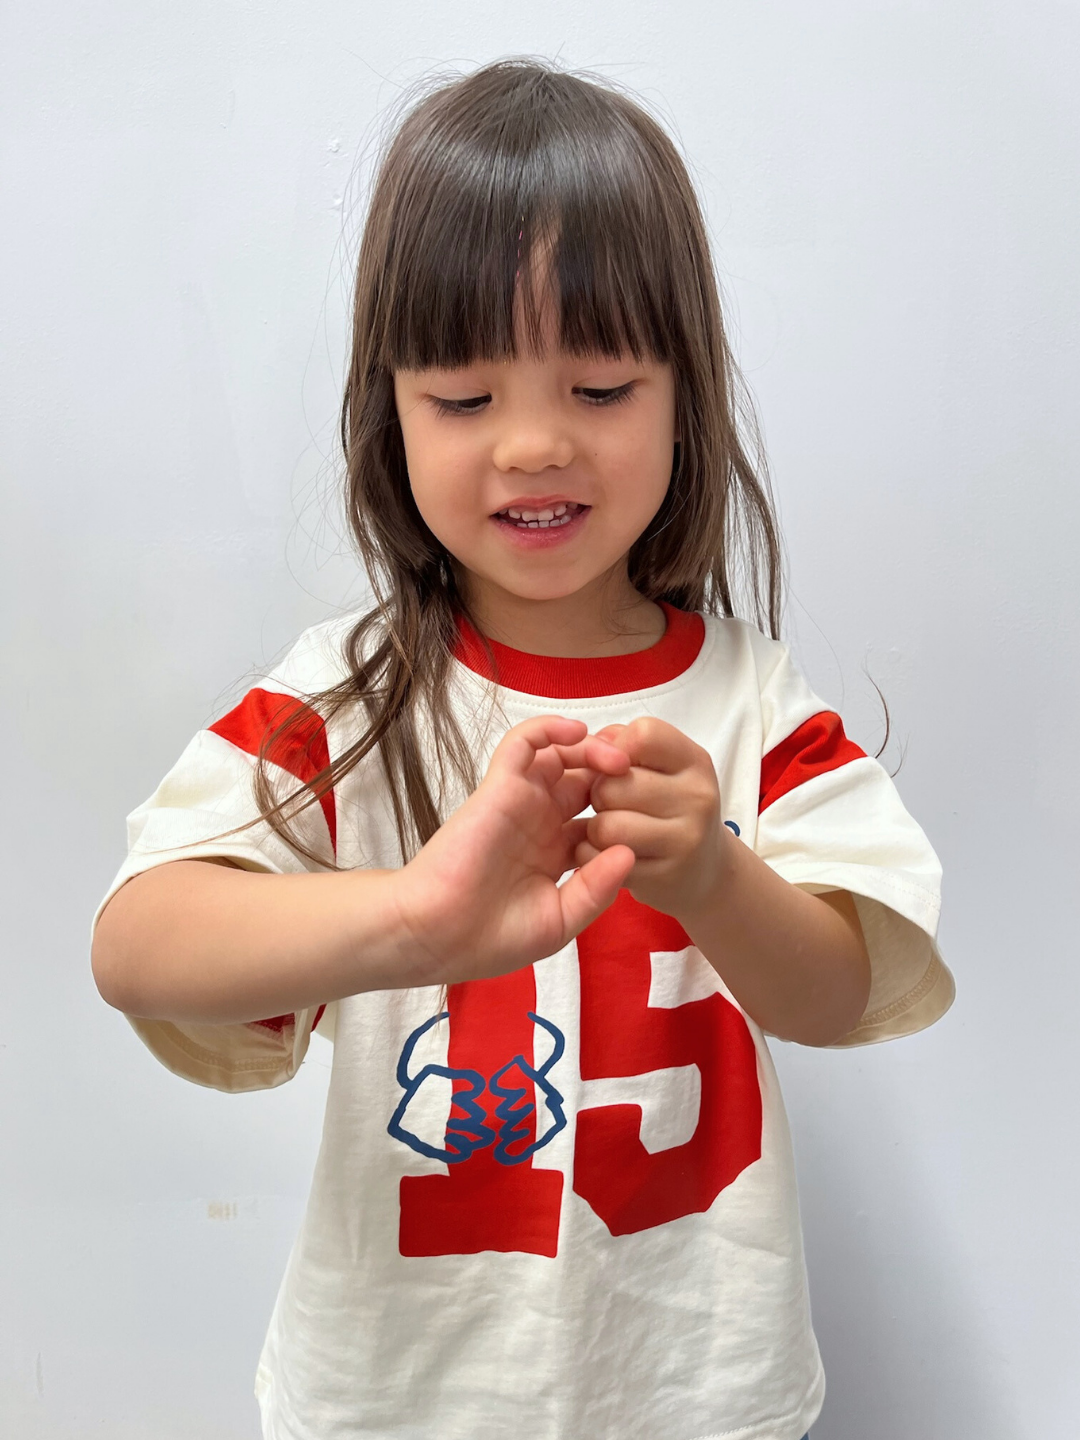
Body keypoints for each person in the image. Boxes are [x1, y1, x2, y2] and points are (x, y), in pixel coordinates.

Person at [89, 58, 954, 1440]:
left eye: (601, 386)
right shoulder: (347, 697)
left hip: (697, 1390)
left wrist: (716, 879)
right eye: (464, 399)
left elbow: (841, 994)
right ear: (388, 409)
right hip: (397, 1390)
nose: (537, 444)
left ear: (685, 394)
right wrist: (409, 919)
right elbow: (136, 944)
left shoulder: (752, 699)